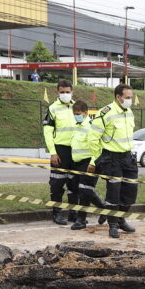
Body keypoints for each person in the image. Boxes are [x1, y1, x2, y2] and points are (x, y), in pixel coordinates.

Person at [86, 83, 138, 238]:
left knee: (130, 191)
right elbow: (93, 137)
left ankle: (120, 218)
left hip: (127, 157)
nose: (130, 100)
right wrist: (97, 158)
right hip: (112, 158)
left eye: (131, 97)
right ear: (118, 97)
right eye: (127, 97)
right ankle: (113, 225)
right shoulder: (105, 112)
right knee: (113, 193)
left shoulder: (129, 112)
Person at [42, 80, 81, 225]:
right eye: (62, 92)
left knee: (74, 184)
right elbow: (47, 132)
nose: (65, 94)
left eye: (68, 91)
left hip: (76, 151)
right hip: (60, 150)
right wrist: (53, 153)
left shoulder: (77, 107)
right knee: (57, 184)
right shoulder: (52, 108)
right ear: (57, 92)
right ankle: (57, 214)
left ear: (72, 92)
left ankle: (73, 213)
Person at [67, 100, 104, 229]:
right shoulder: (77, 126)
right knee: (82, 190)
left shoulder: (90, 127)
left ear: (85, 113)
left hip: (89, 162)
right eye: (74, 113)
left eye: (78, 113)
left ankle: (81, 220)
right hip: (77, 163)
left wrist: (93, 163)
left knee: (85, 191)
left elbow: (98, 148)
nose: (76, 115)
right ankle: (103, 208)